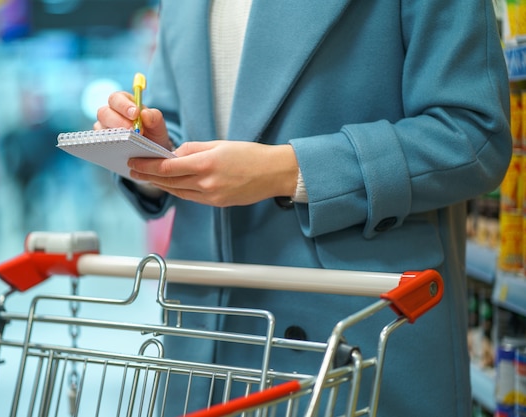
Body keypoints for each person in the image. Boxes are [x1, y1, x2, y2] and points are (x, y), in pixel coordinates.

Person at [94, 1, 512, 416]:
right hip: (203, 342)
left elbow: (472, 136)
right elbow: (179, 121)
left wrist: (286, 170)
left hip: (351, 340)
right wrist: (147, 153)